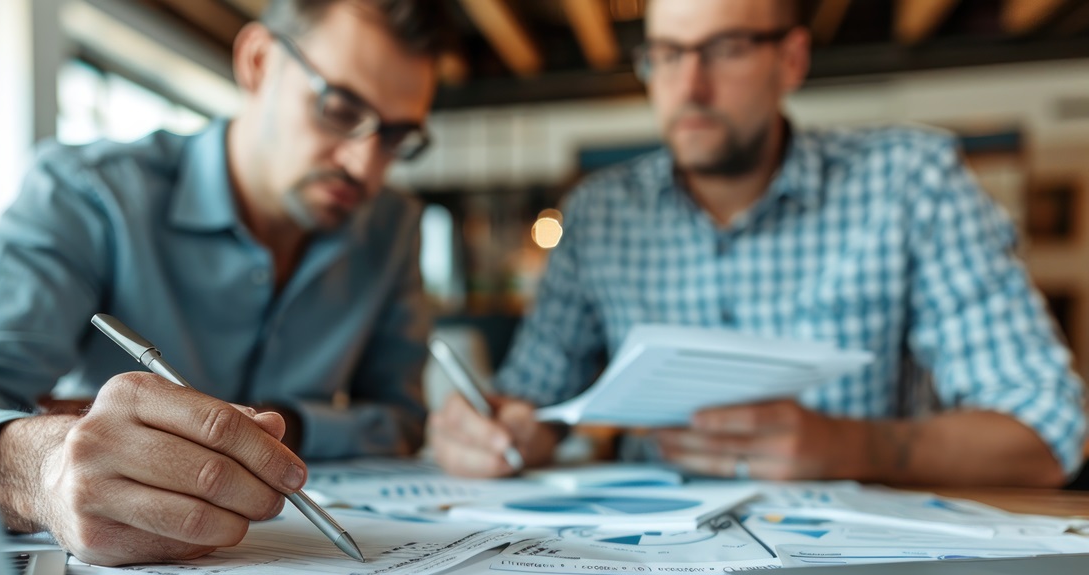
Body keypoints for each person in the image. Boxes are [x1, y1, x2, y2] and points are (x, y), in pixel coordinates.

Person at [429, 0, 1086, 488]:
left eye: (726, 48)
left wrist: (854, 448)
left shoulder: (911, 183)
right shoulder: (598, 213)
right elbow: (534, 403)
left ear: (791, 59)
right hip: (638, 559)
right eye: (666, 54)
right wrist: (493, 433)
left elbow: (1048, 431)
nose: (690, 87)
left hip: (850, 563)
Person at [0, 0, 451, 565]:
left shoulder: (392, 229)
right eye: (341, 110)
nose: (365, 166)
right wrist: (45, 469)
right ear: (258, 62)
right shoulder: (88, 195)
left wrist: (277, 426)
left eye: (397, 138)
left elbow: (401, 418)